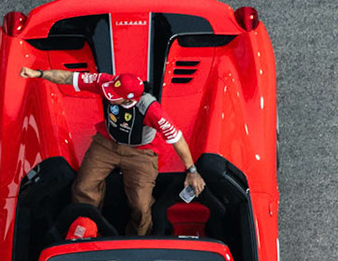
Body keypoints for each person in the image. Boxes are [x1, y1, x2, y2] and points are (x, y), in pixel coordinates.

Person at [17, 68, 206, 235]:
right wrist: (39, 74)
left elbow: (177, 138)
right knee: (83, 187)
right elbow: (69, 77)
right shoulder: (106, 82)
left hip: (141, 153)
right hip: (106, 143)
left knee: (141, 204)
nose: (108, 94)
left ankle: (138, 239)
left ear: (131, 98)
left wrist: (192, 171)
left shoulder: (152, 110)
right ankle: (87, 229)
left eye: (115, 95)